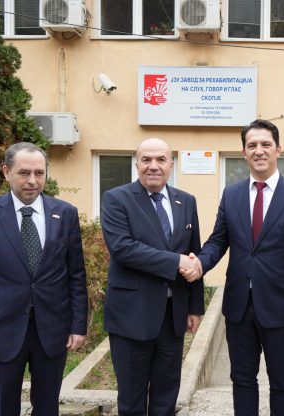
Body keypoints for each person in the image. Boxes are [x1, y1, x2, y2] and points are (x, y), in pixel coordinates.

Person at [192, 119, 284, 416]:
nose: (259, 150)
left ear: (278, 150)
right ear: (244, 152)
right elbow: (218, 241)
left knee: (282, 382)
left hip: (281, 309)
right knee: (242, 380)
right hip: (239, 307)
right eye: (252, 145)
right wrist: (199, 263)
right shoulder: (232, 194)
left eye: (265, 144)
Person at [0, 142, 88, 416]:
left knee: (48, 407)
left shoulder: (65, 214)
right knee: (3, 408)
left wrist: (78, 326)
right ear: (6, 172)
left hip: (52, 332)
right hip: (0, 334)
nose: (32, 181)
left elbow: (76, 275)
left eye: (39, 173)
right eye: (24, 173)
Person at [101, 138, 204, 415]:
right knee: (132, 399)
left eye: (161, 159)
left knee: (166, 396)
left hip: (173, 316)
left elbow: (193, 253)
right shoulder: (116, 199)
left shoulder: (186, 201)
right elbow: (123, 248)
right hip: (131, 316)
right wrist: (176, 261)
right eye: (146, 159)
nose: (153, 166)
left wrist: (194, 307)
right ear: (137, 164)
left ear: (171, 164)